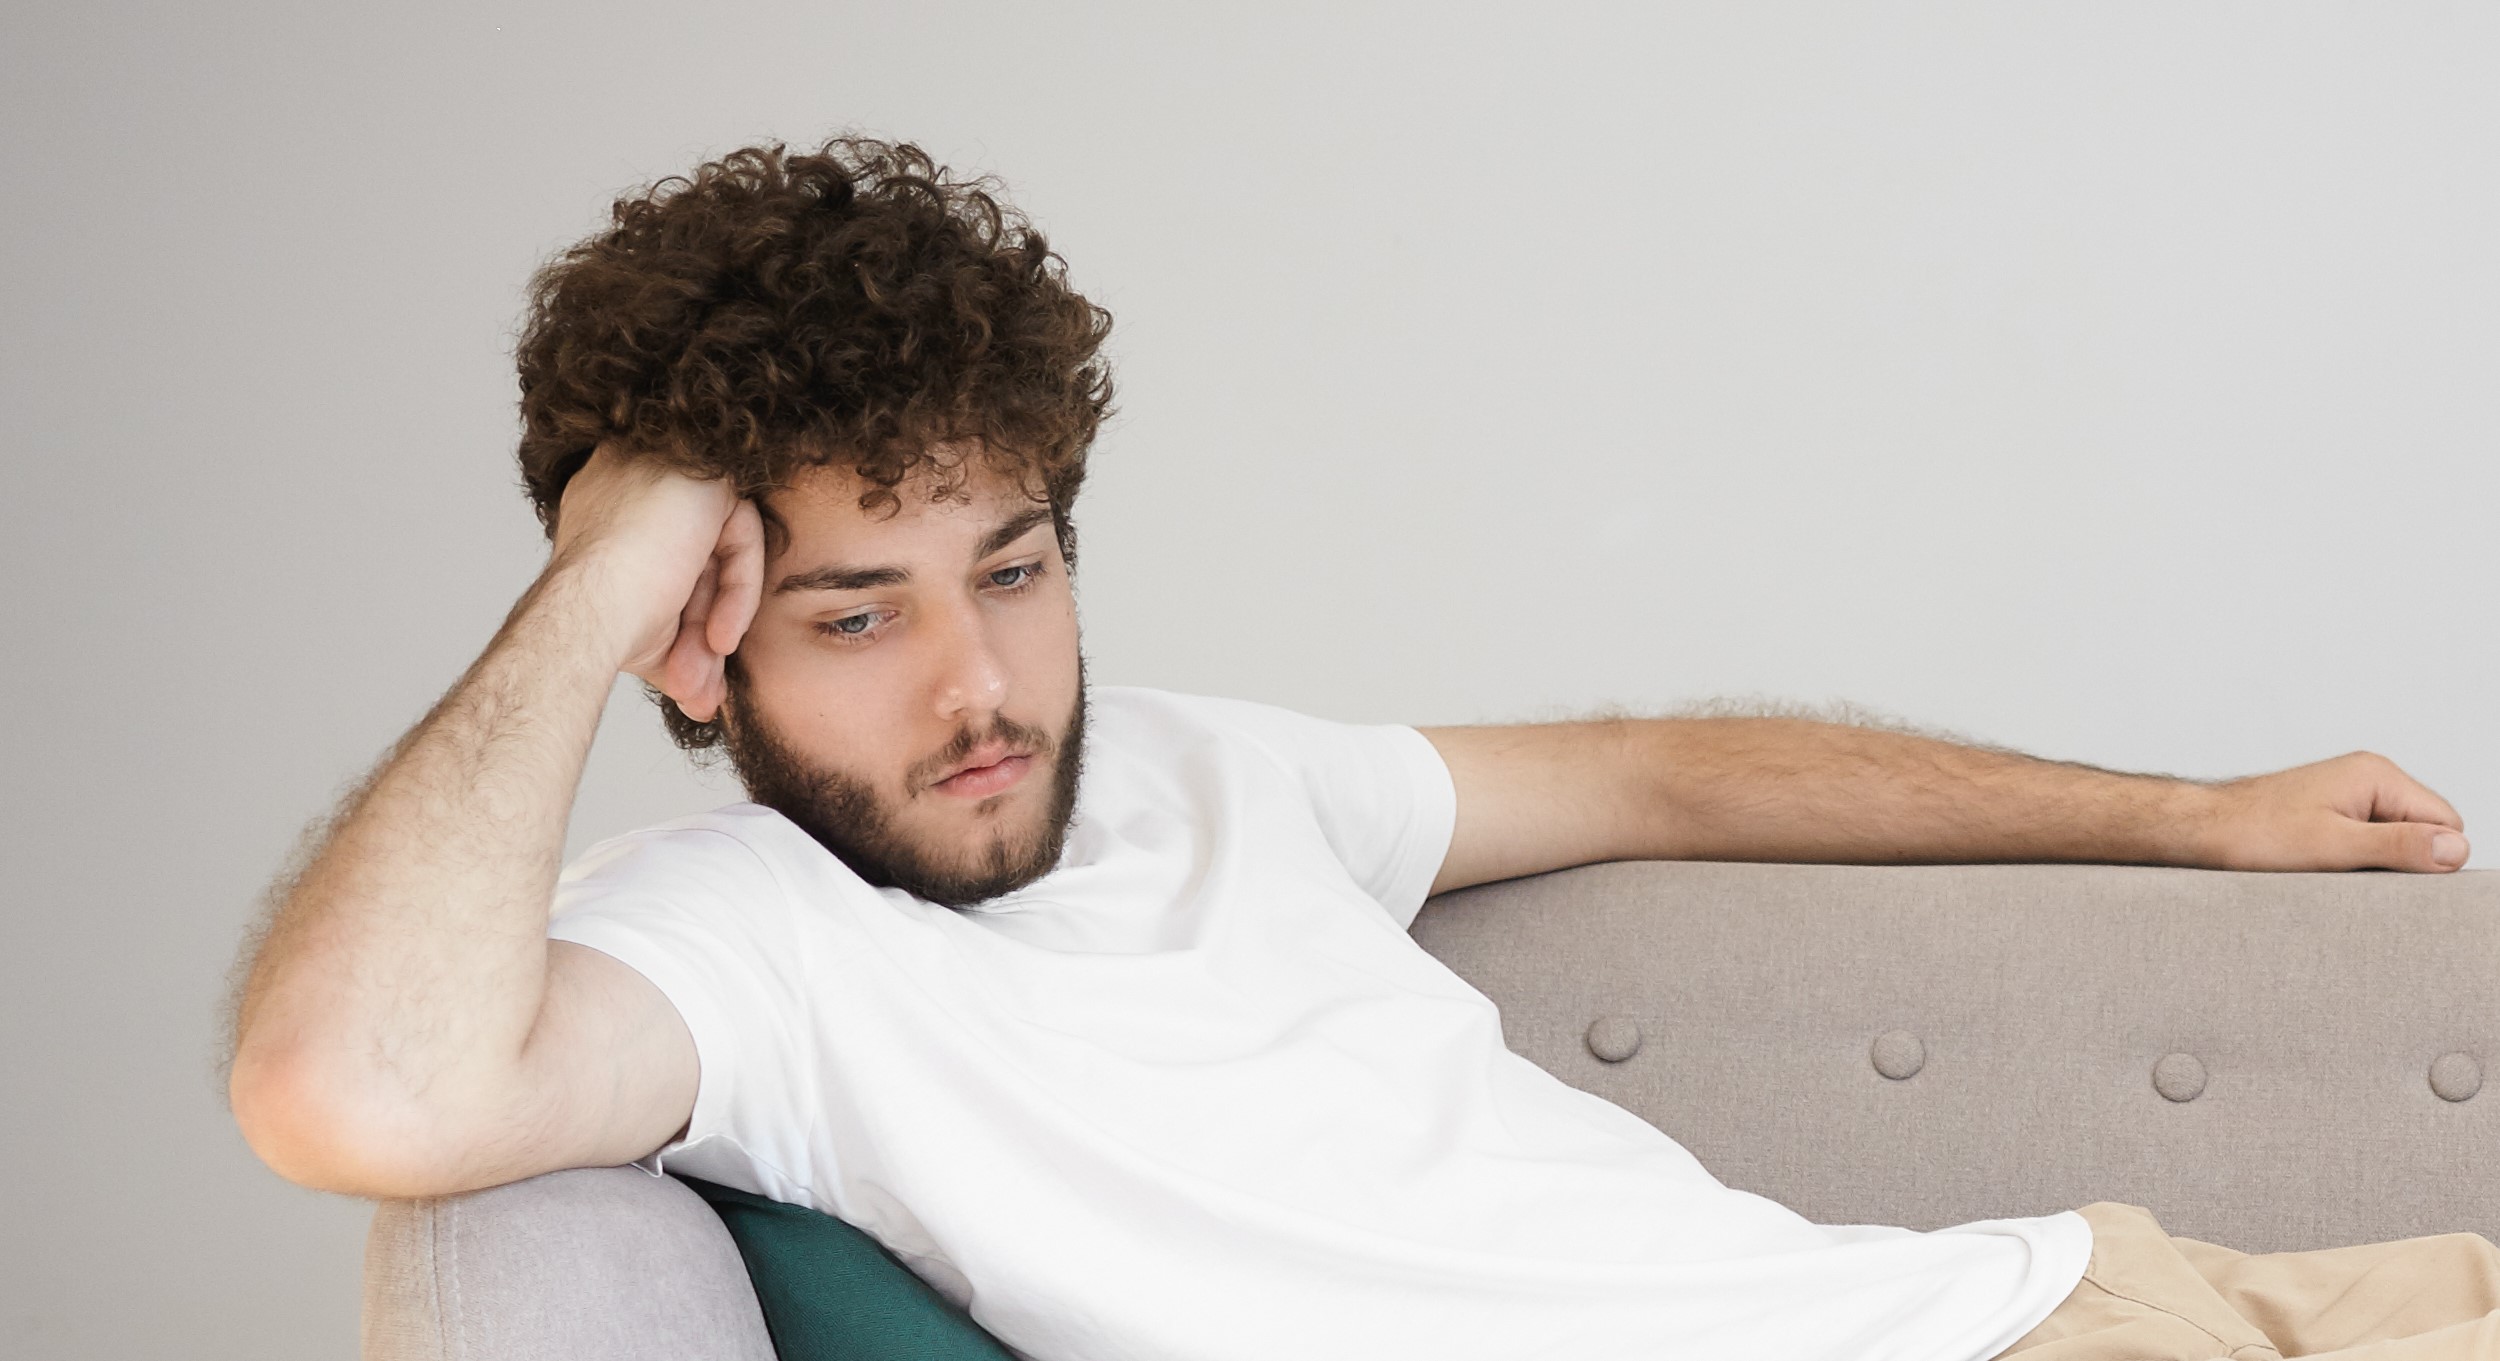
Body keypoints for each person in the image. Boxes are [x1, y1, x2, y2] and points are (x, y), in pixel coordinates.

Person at [226, 138, 2496, 1361]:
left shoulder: (1219, 774)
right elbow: (351, 1089)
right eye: (857, 613)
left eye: (1013, 568)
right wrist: (597, 571)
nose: (978, 685)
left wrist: (2195, 817)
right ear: (697, 648)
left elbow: (1665, 772)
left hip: (2088, 1296)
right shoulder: (740, 949)